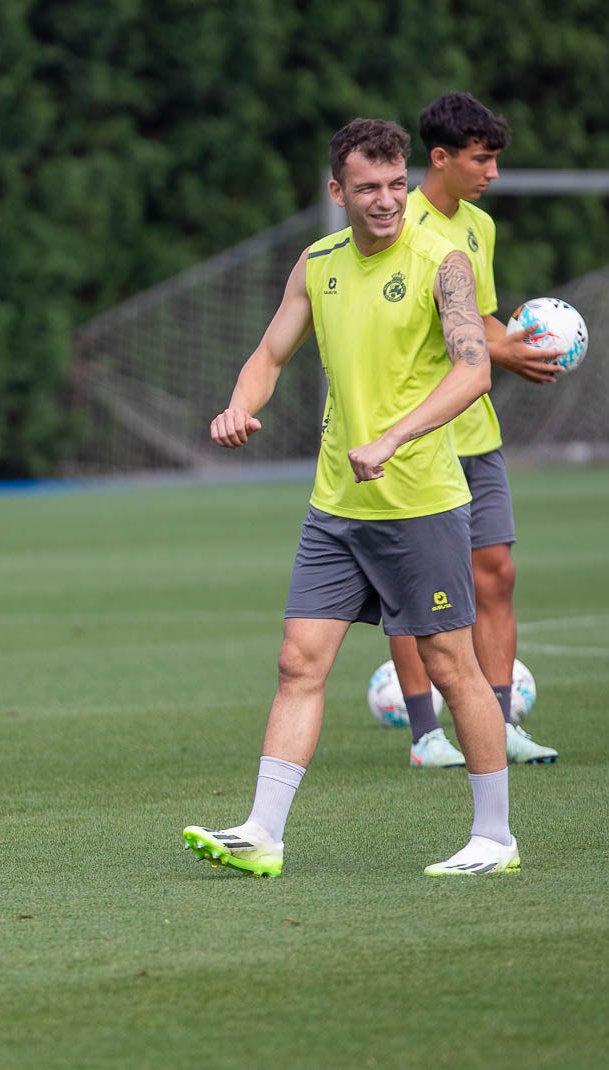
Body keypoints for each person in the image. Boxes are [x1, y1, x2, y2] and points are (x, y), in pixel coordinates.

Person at [183, 119, 517, 878]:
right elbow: (269, 353)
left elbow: (474, 374)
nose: (386, 200)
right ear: (337, 192)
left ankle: (496, 838)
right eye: (367, 186)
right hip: (337, 505)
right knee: (297, 661)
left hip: (421, 503)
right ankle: (263, 833)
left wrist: (394, 439)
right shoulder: (318, 262)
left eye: (396, 184)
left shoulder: (445, 262)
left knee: (451, 666)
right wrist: (240, 404)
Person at [386, 93, 562, 769]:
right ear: (441, 157)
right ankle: (428, 735)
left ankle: (500, 718)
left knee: (497, 574)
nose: (491, 172)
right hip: (418, 430)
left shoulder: (480, 227)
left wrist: (516, 344)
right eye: (481, 159)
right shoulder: (397, 221)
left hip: (475, 432)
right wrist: (502, 351)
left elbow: (482, 321)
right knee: (415, 586)